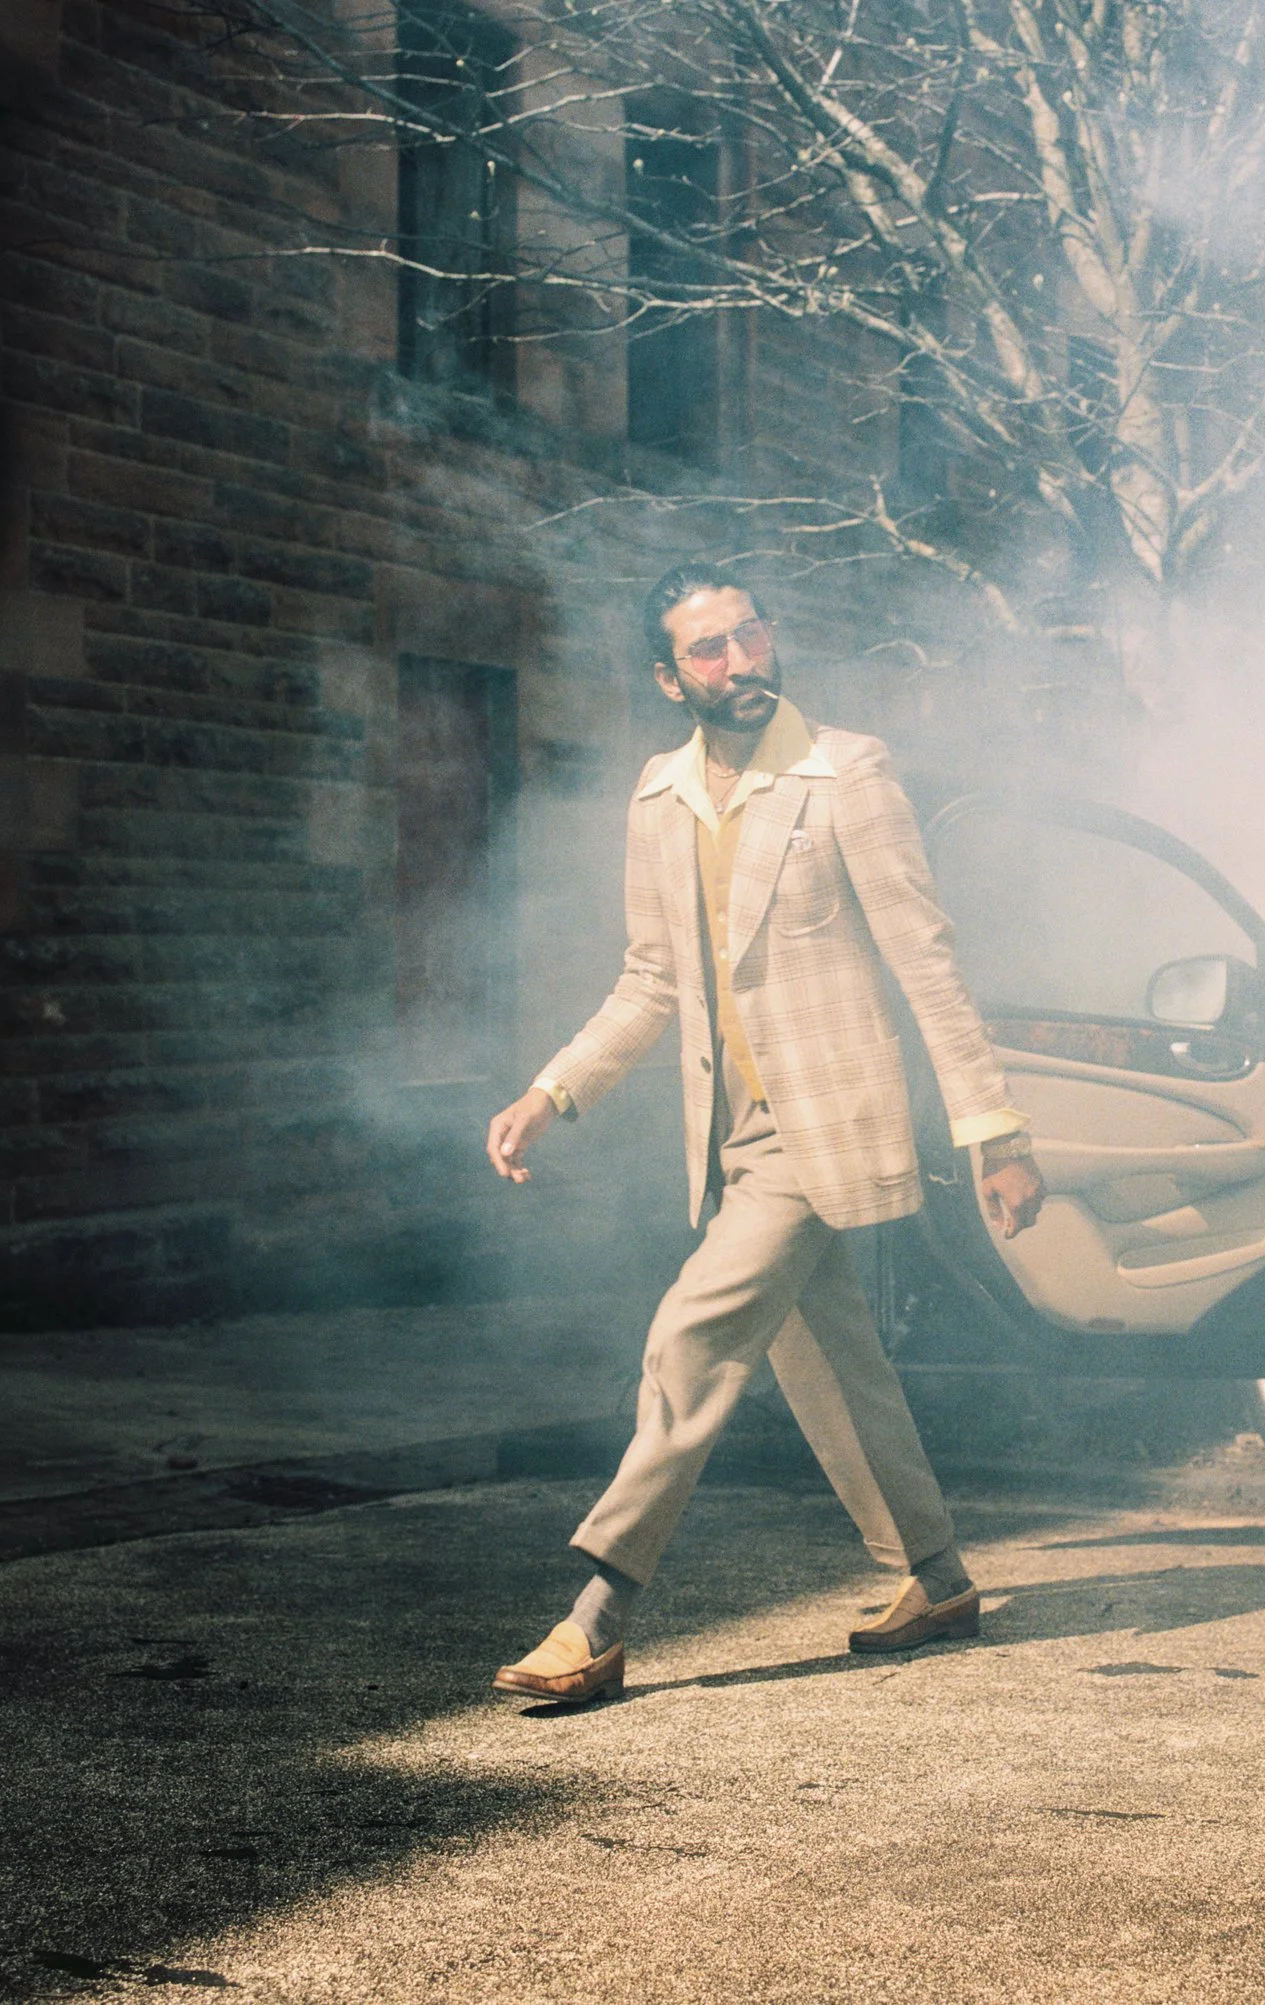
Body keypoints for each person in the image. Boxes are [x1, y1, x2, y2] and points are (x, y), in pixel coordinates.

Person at [484, 564, 1047, 1707]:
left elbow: (923, 959)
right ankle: (932, 1575)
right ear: (668, 674)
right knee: (831, 1359)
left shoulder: (848, 774)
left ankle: (596, 1610)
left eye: (750, 635)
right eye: (709, 649)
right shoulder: (658, 798)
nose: (740, 662)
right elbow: (650, 979)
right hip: (729, 1138)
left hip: (820, 1125)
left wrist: (992, 1124)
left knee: (691, 1339)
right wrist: (556, 1087)